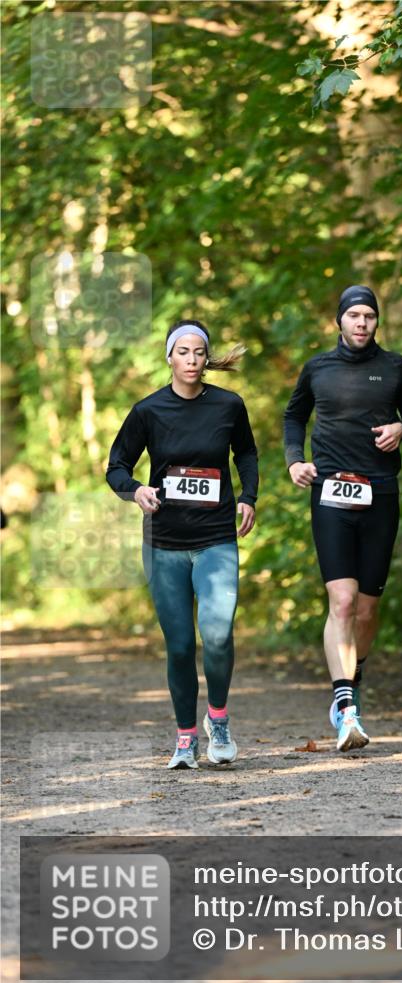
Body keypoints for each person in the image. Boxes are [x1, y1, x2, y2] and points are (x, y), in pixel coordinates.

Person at [106, 320, 258, 770]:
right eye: (183, 352)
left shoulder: (229, 405)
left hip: (215, 539)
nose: (192, 360)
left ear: (207, 359)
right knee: (178, 647)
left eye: (199, 353)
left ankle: (219, 718)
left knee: (218, 634)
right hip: (164, 542)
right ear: (169, 357)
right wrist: (136, 490)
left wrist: (248, 496)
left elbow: (245, 453)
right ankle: (185, 739)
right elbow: (116, 466)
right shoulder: (148, 411)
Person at [284, 285, 402, 752]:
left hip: (380, 495)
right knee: (342, 602)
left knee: (367, 610)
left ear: (376, 322)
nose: (362, 323)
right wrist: (294, 460)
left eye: (369, 316)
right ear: (339, 322)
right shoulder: (318, 369)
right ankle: (346, 707)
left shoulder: (394, 368)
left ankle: (352, 675)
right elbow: (294, 416)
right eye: (354, 316)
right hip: (330, 493)